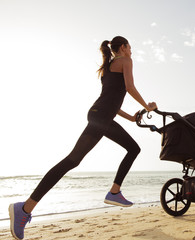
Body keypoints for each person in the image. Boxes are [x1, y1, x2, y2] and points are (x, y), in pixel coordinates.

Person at [8, 36, 157, 240]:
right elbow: (129, 88)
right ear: (123, 47)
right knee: (72, 160)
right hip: (102, 116)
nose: (132, 51)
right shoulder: (125, 61)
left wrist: (132, 117)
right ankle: (24, 209)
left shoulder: (109, 66)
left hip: (101, 114)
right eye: (130, 47)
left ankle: (114, 192)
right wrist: (147, 106)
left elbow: (111, 100)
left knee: (129, 149)